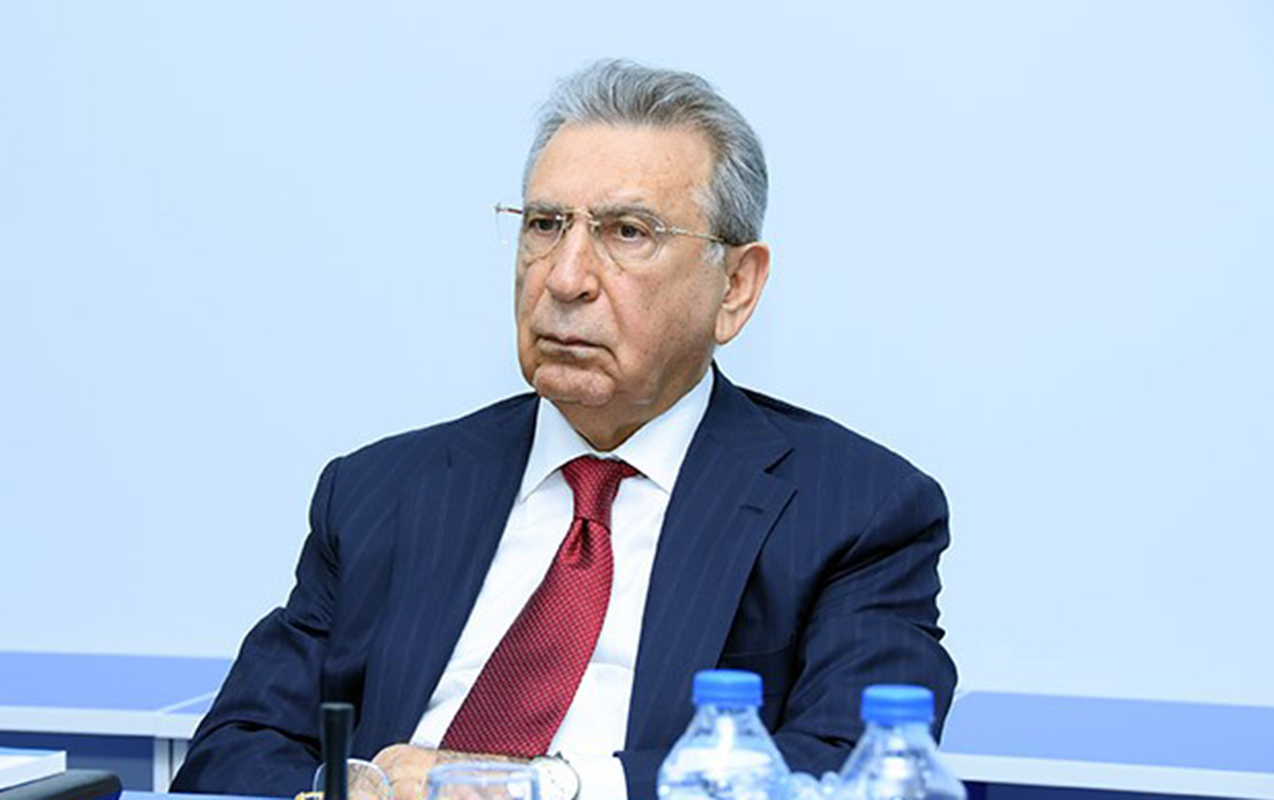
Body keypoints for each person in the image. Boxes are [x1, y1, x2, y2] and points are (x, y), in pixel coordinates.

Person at [171, 59, 956, 800]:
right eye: (545, 225)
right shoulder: (381, 490)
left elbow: (853, 766)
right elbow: (234, 750)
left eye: (628, 232)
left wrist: (530, 789)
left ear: (736, 288)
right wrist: (350, 790)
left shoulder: (855, 511)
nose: (566, 277)